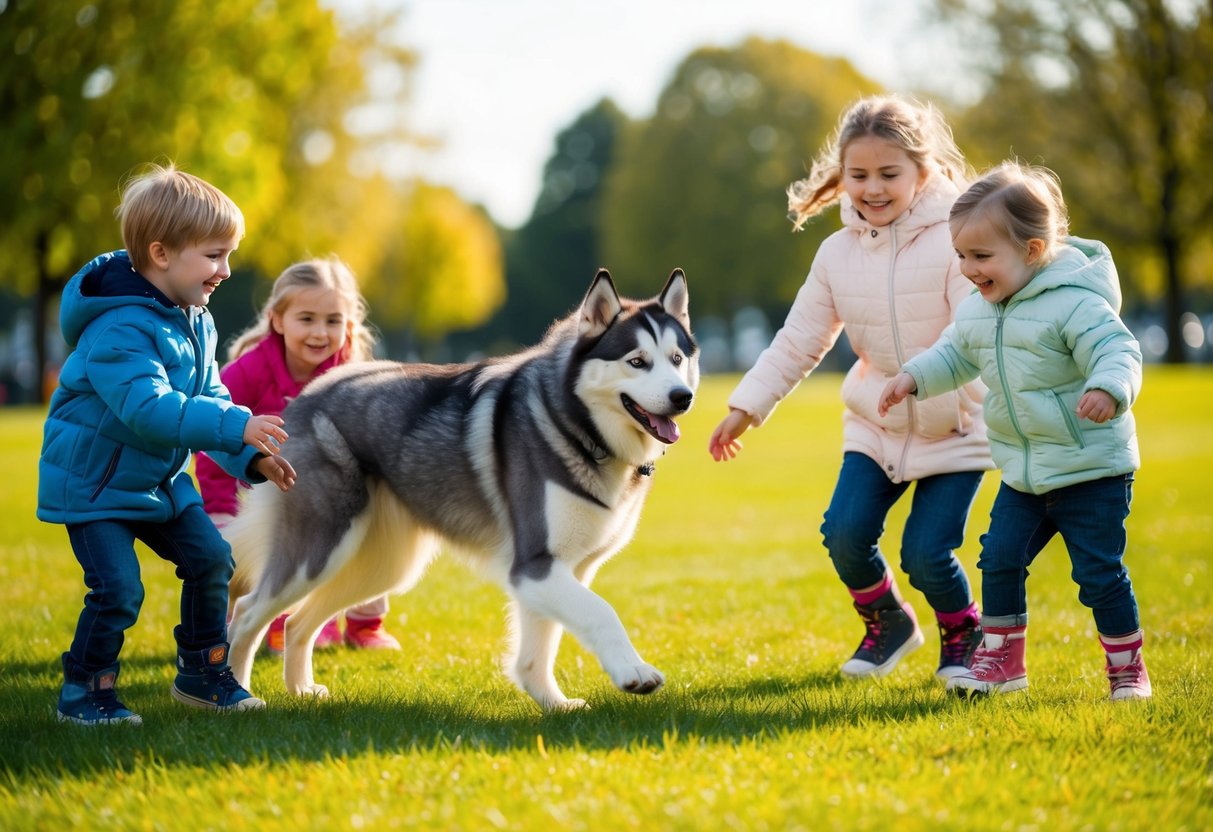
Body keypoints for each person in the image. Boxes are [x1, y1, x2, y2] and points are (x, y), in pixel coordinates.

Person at [708, 95, 994, 683]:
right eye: (858, 175)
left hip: (954, 427)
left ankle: (965, 631)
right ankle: (889, 622)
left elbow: (973, 331)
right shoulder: (836, 254)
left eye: (889, 174)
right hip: (875, 424)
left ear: (924, 170)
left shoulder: (955, 240)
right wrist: (746, 406)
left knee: (925, 554)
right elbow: (798, 339)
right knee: (844, 534)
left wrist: (923, 378)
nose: (873, 188)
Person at [38, 163, 298, 725]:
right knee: (118, 591)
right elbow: (151, 410)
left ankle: (204, 673)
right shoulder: (119, 329)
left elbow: (210, 397)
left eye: (228, 255)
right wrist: (236, 426)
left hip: (158, 481)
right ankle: (86, 691)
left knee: (212, 561)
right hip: (97, 483)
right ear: (161, 254)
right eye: (213, 255)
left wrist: (250, 454)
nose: (225, 270)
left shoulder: (194, 320)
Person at [878, 161, 1149, 700]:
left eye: (980, 256)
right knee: (999, 558)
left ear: (1031, 251)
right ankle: (1003, 664)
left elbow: (1117, 349)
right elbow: (955, 354)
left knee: (1098, 574)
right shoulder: (980, 311)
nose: (967, 268)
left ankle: (1126, 669)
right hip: (1024, 476)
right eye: (960, 255)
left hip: (1090, 470)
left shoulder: (1075, 301)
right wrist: (913, 376)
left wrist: (1109, 388)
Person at [196, 257, 401, 653]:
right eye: (306, 319)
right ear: (277, 320)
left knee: (369, 537)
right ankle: (250, 618)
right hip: (259, 496)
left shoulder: (353, 380)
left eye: (332, 321)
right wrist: (219, 508)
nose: (320, 332)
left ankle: (364, 624)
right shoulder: (246, 373)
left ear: (349, 326)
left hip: (330, 495)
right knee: (243, 554)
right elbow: (213, 437)